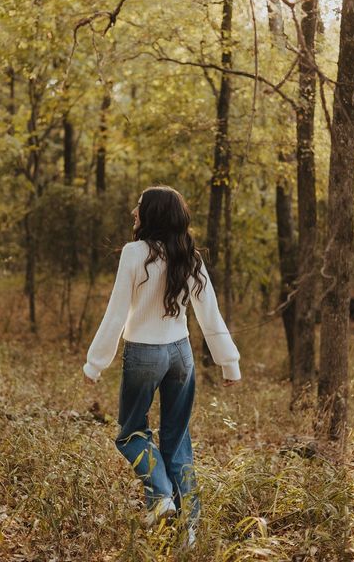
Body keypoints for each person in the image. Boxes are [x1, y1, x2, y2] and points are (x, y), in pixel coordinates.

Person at [82, 185, 241, 547]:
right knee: (177, 438)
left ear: (152, 214)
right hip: (180, 355)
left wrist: (95, 363)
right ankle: (190, 529)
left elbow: (116, 312)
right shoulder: (189, 255)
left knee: (131, 433)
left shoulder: (134, 253)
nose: (134, 213)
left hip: (144, 354)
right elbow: (209, 314)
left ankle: (160, 496)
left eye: (139, 207)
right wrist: (229, 363)